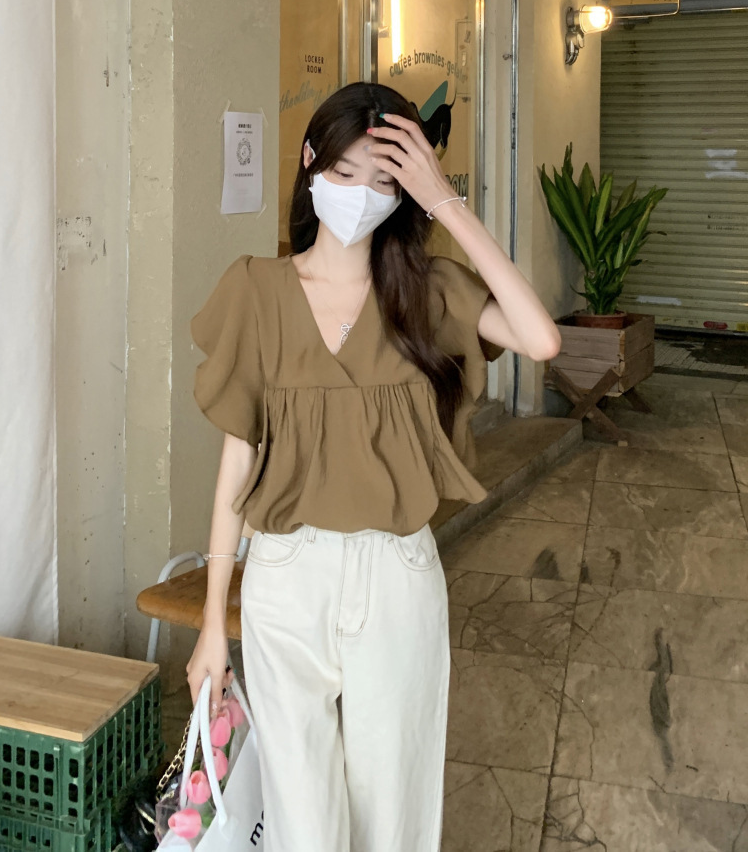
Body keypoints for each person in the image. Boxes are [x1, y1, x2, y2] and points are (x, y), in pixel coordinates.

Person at [186, 81, 561, 852]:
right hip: (285, 575)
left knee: (393, 814)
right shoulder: (256, 289)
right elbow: (237, 461)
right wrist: (211, 626)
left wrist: (446, 201)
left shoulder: (427, 294)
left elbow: (541, 338)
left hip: (396, 576)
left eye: (384, 181)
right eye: (345, 171)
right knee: (301, 822)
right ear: (309, 161)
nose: (359, 195)